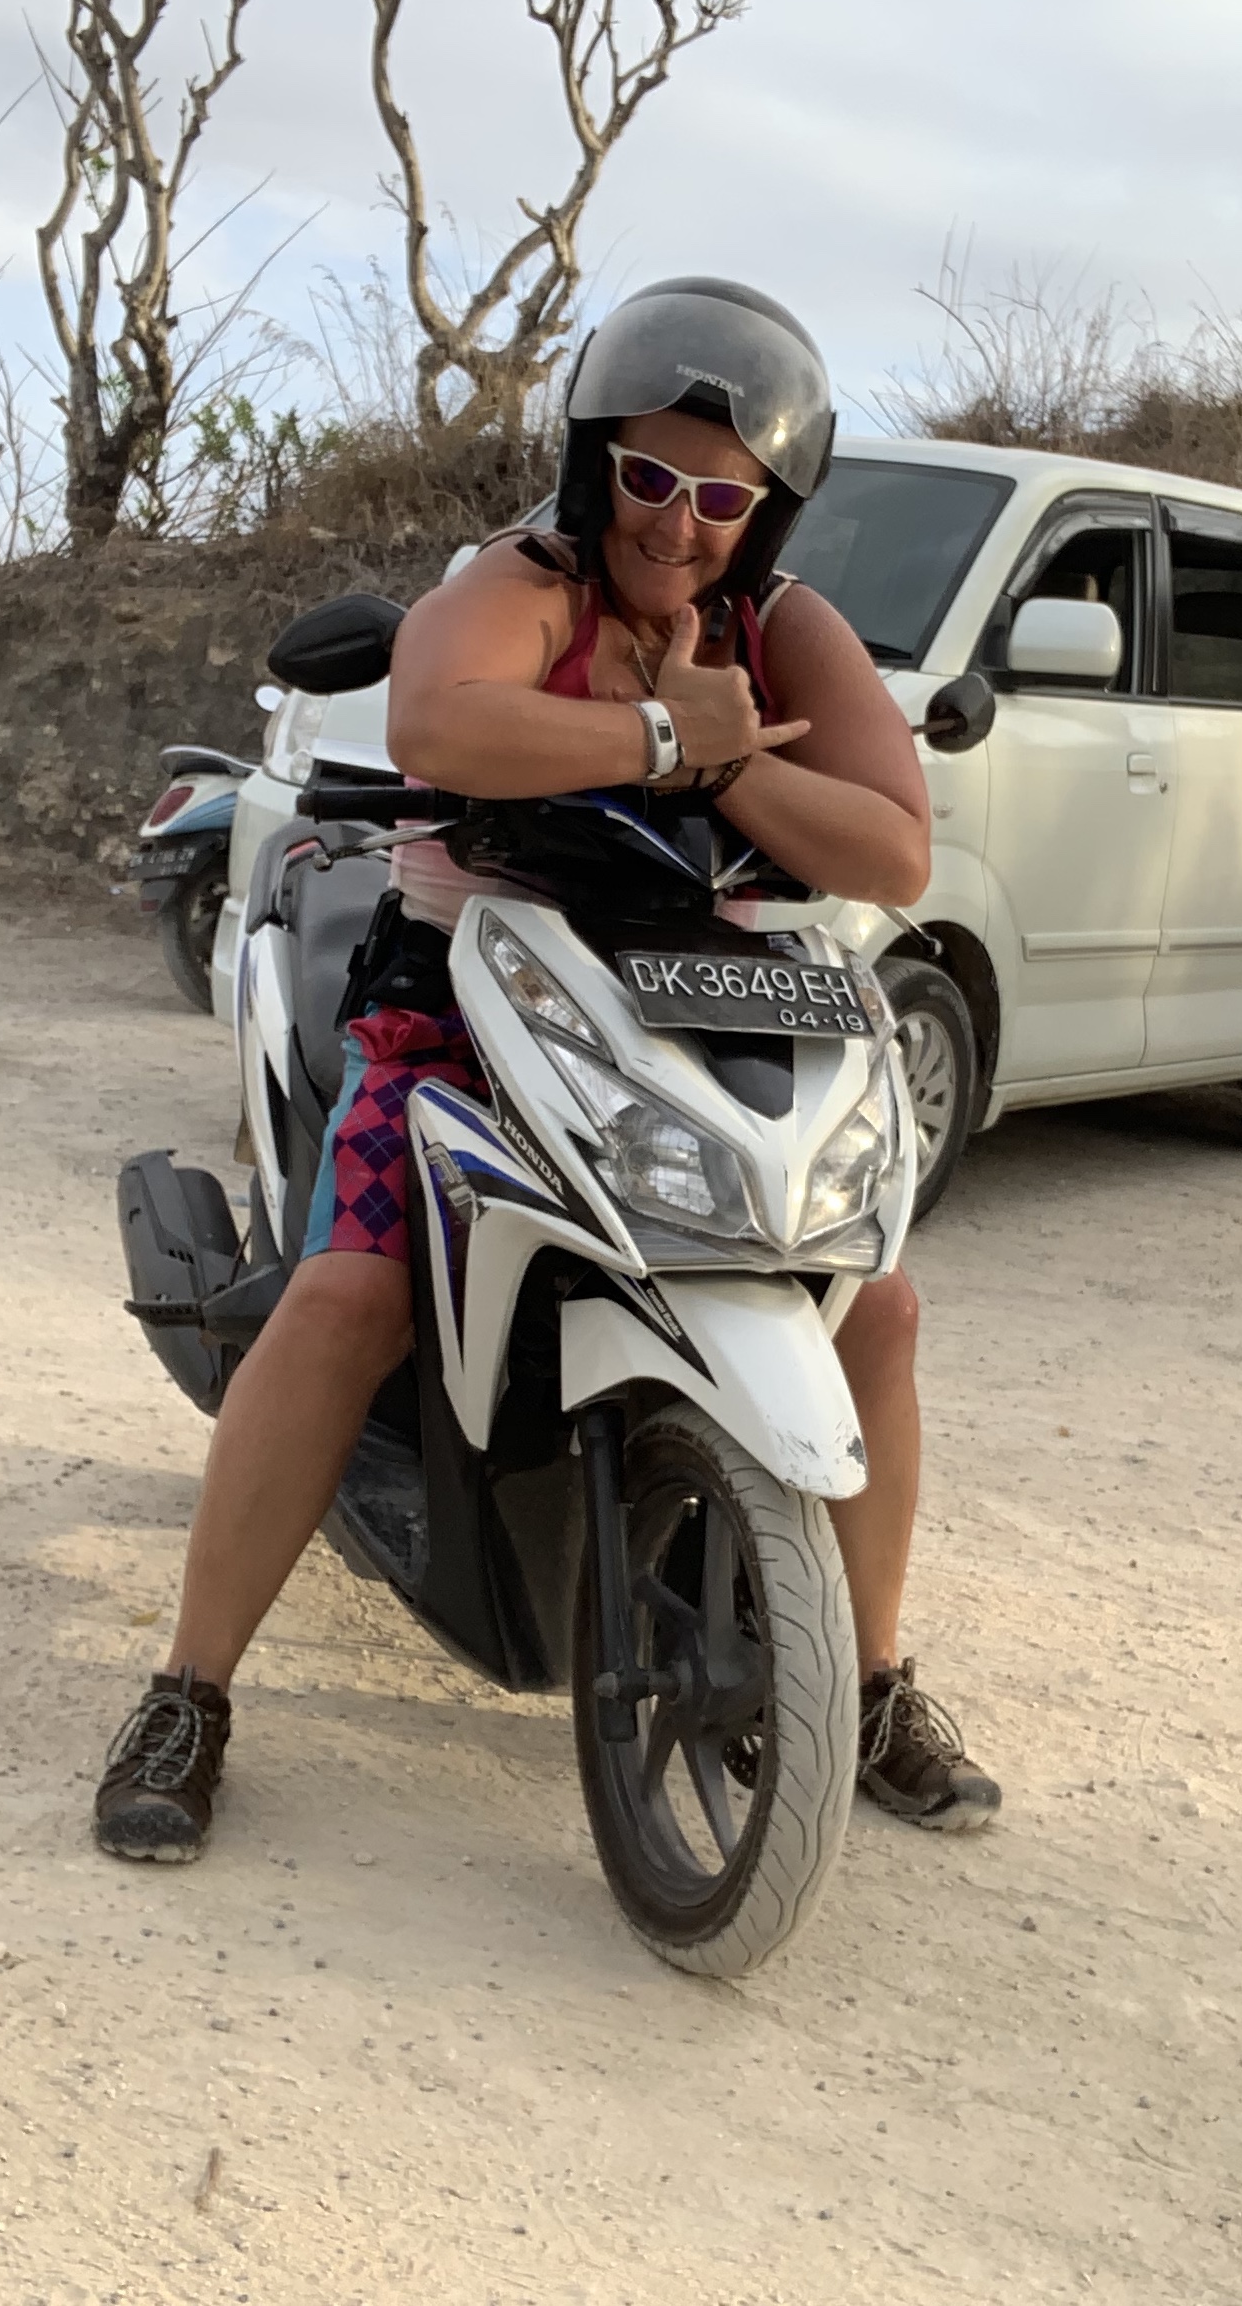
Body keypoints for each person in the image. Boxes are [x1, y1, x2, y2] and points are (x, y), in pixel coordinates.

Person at [93, 278, 1002, 1860]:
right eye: (647, 476)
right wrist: (662, 737)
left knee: (877, 1308)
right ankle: (190, 1687)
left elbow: (893, 846)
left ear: (769, 510)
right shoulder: (523, 581)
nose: (676, 521)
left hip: (692, 1000)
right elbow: (444, 722)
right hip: (461, 995)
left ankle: (864, 1680)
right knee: (350, 1294)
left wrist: (727, 755)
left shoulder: (784, 626)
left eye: (720, 497)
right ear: (593, 463)